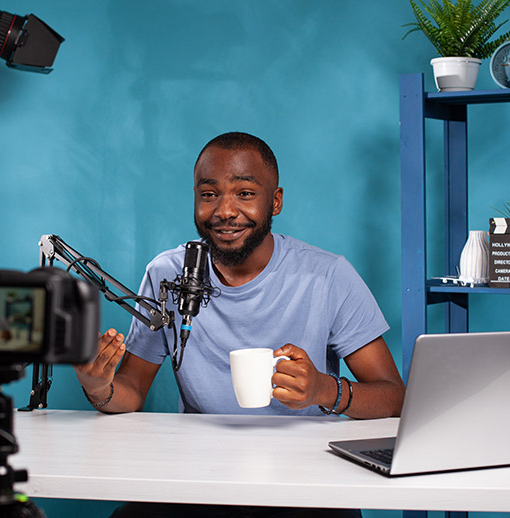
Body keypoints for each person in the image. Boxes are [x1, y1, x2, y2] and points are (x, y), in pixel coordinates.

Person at [74, 132, 405, 517]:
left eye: (245, 193)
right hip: (200, 478)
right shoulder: (168, 274)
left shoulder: (328, 276)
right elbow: (131, 389)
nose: (225, 211)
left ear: (275, 201)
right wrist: (98, 387)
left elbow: (393, 398)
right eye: (209, 194)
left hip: (307, 482)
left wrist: (322, 389)